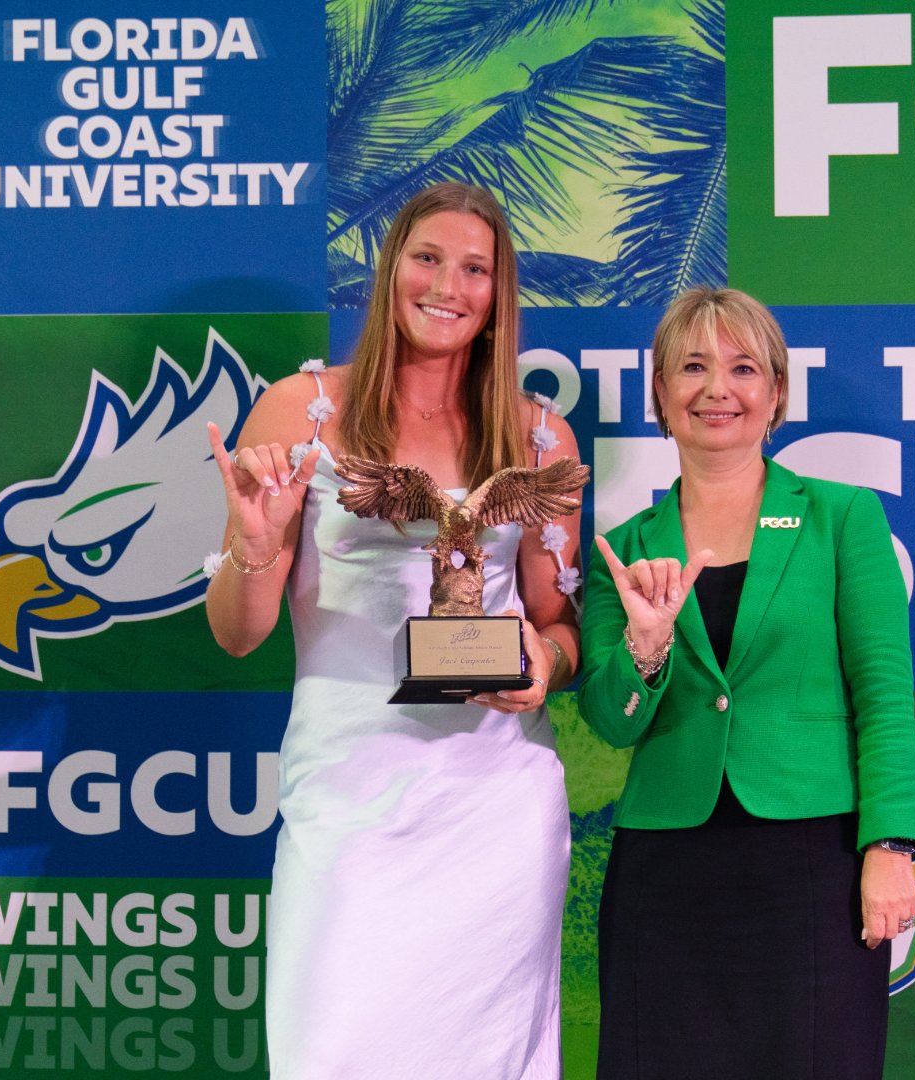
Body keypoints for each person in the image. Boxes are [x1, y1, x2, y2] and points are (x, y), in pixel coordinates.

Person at [205, 182, 582, 1079]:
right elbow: (236, 635)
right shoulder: (299, 414)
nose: (448, 284)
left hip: (497, 806)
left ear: (499, 294)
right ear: (389, 270)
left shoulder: (539, 439)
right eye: (427, 258)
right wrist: (257, 548)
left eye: (475, 268)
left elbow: (561, 625)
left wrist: (545, 660)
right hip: (347, 805)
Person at [577, 287, 915, 1080]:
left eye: (742, 368)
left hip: (814, 860)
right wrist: (645, 646)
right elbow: (611, 719)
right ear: (661, 394)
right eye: (692, 367)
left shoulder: (842, 518)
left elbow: (883, 693)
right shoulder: (625, 550)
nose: (717, 389)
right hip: (666, 873)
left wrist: (891, 844)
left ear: (775, 395)